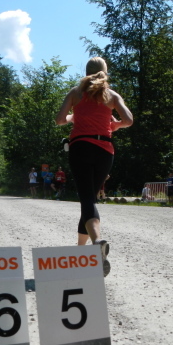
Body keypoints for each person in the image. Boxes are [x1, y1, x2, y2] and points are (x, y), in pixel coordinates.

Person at [55, 57, 133, 276]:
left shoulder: (75, 93)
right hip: (105, 151)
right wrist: (115, 125)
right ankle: (80, 254)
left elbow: (59, 120)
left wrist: (73, 117)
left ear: (86, 72)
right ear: (105, 72)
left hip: (81, 148)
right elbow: (128, 120)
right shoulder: (111, 95)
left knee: (87, 200)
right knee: (89, 200)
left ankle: (97, 242)